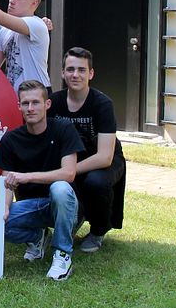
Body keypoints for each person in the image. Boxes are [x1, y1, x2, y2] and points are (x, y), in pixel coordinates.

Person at [0, 80, 83, 281]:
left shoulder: (63, 129)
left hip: (65, 206)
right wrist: (5, 208)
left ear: (47, 105)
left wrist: (27, 177)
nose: (30, 108)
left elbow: (69, 173)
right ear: (19, 106)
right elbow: (7, 181)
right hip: (33, 207)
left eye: (35, 102)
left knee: (59, 188)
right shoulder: (10, 139)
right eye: (25, 103)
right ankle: (37, 237)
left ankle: (62, 255)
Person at [48, 47, 127, 253]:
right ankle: (72, 219)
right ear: (63, 72)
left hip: (105, 160)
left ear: (91, 74)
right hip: (71, 159)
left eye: (82, 70)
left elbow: (104, 157)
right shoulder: (54, 103)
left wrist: (69, 170)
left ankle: (98, 230)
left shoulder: (102, 104)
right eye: (71, 69)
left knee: (95, 181)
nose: (76, 75)